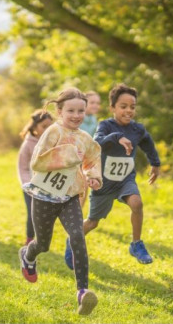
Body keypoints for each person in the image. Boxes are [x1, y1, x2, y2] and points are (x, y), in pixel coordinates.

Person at [18, 88, 102, 316]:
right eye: (71, 110)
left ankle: (83, 292)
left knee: (77, 236)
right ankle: (28, 255)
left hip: (70, 197)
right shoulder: (53, 132)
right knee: (43, 244)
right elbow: (37, 161)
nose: (76, 115)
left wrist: (93, 176)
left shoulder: (85, 138)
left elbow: (93, 159)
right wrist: (68, 155)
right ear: (59, 111)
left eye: (81, 111)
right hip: (45, 196)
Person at [65, 84, 160, 267]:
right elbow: (97, 141)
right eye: (123, 107)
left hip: (125, 179)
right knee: (93, 222)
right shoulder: (106, 125)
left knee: (137, 203)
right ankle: (72, 240)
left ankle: (136, 244)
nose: (128, 111)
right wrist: (117, 137)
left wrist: (155, 163)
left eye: (132, 107)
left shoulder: (137, 129)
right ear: (113, 108)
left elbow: (147, 142)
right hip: (103, 183)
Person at [17, 109, 53, 245]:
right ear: (35, 127)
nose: (47, 130)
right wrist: (27, 185)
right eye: (44, 126)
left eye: (50, 127)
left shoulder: (53, 143)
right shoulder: (27, 145)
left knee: (44, 216)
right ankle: (29, 241)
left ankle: (41, 241)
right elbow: (22, 168)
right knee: (32, 215)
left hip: (48, 186)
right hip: (30, 187)